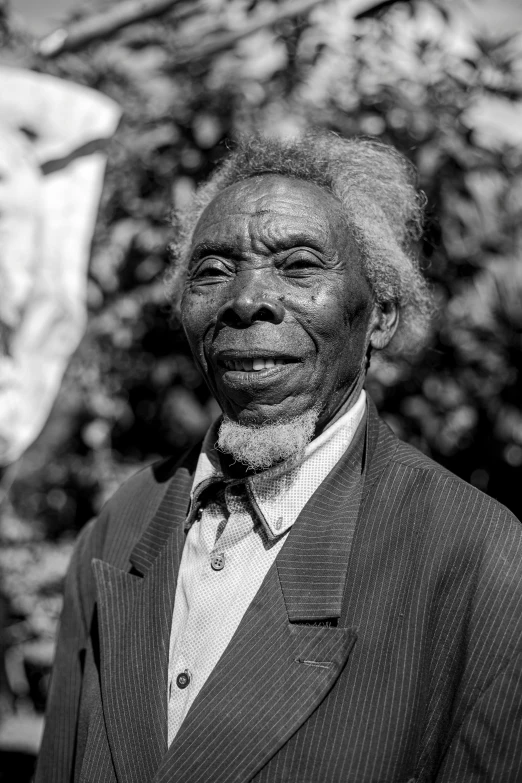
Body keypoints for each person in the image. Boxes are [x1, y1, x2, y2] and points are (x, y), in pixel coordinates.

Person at [36, 133, 522, 783]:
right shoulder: (123, 522)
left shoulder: (479, 558)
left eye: (297, 265)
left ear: (378, 314)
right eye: (212, 269)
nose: (246, 299)